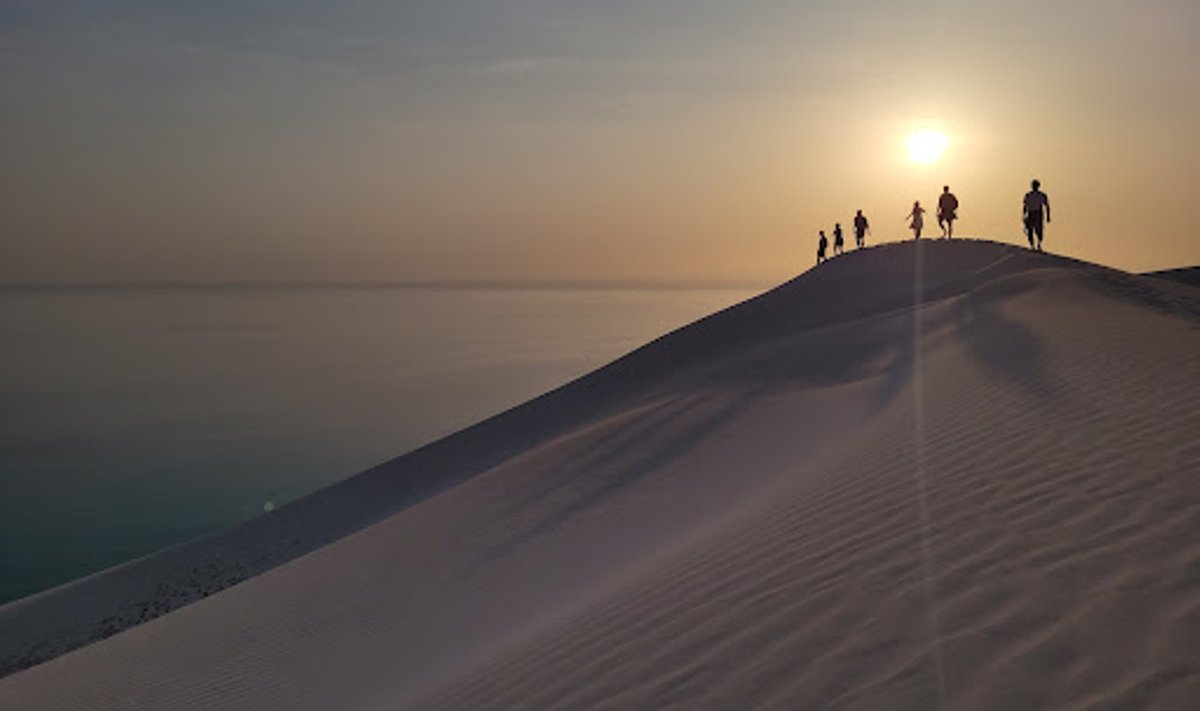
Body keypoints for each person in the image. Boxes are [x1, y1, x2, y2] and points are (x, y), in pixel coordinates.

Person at [1023, 179, 1051, 251]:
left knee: (1039, 230)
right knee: (1030, 230)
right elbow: (1025, 206)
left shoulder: (1042, 195)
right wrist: (1024, 215)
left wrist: (1048, 216)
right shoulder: (1028, 195)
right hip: (1031, 213)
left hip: (1038, 213)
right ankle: (1032, 245)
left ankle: (1038, 244)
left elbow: (1047, 206)